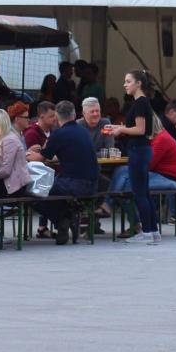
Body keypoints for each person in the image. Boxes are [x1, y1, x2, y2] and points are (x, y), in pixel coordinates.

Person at [102, 69, 161, 245]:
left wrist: (120, 130)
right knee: (145, 192)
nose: (125, 84)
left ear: (138, 83)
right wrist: (118, 128)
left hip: (138, 150)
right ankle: (153, 231)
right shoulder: (142, 103)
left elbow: (140, 130)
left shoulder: (140, 103)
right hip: (142, 149)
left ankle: (147, 232)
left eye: (128, 81)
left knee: (139, 193)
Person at [36, 100, 98, 244]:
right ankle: (67, 218)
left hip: (73, 184)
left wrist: (26, 154)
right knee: (54, 186)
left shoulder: (58, 134)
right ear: (74, 115)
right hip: (92, 185)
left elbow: (40, 158)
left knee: (35, 189)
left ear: (57, 116)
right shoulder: (84, 131)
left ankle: (62, 219)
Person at [0, 108, 31, 202]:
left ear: (2, 125)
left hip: (14, 187)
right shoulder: (4, 138)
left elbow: (6, 170)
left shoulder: (9, 140)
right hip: (8, 184)